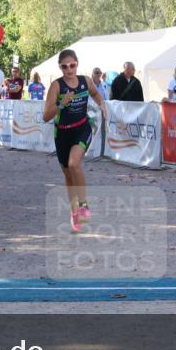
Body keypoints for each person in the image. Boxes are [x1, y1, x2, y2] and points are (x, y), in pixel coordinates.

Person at [42, 49, 109, 233]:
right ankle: (74, 213)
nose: (69, 70)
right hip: (62, 133)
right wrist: (62, 104)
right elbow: (46, 116)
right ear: (60, 67)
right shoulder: (56, 86)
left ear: (77, 63)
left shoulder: (85, 81)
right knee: (68, 176)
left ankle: (84, 204)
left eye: (72, 65)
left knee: (74, 163)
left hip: (82, 128)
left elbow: (95, 93)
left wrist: (102, 105)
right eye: (64, 66)